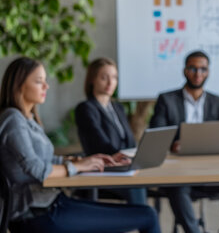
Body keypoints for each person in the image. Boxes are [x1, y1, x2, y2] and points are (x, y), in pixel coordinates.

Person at [0, 57, 161, 233]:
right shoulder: (13, 119)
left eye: (45, 81)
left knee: (145, 213)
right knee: (147, 215)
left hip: (53, 203)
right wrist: (75, 166)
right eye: (39, 81)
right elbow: (36, 169)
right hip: (37, 214)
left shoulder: (28, 118)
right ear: (19, 85)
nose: (46, 86)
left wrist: (83, 161)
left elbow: (46, 159)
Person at [149, 50, 219, 233]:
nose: (198, 74)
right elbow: (156, 135)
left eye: (203, 69)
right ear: (185, 70)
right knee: (177, 188)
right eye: (193, 68)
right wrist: (173, 145)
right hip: (179, 174)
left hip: (214, 173)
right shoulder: (166, 100)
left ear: (208, 71)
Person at [75, 57, 147, 205]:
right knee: (136, 187)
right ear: (92, 80)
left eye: (114, 77)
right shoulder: (86, 108)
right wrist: (120, 158)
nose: (110, 82)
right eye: (104, 77)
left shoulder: (118, 108)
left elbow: (130, 141)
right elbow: (99, 144)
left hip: (124, 166)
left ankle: (144, 220)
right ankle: (144, 220)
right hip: (103, 168)